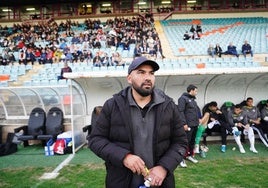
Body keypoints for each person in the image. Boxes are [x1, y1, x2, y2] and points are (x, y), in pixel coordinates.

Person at [88, 56, 188, 188]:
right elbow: (95, 140)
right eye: (141, 72)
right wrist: (124, 157)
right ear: (129, 78)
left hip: (159, 183)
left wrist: (164, 167)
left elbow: (180, 142)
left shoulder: (168, 105)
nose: (148, 77)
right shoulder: (112, 105)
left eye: (151, 73)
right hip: (121, 182)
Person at [177, 84, 200, 167]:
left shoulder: (193, 100)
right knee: (185, 142)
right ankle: (181, 159)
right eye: (196, 91)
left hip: (195, 124)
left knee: (192, 142)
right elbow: (180, 112)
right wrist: (184, 124)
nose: (197, 93)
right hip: (188, 125)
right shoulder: (182, 99)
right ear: (191, 90)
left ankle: (189, 155)